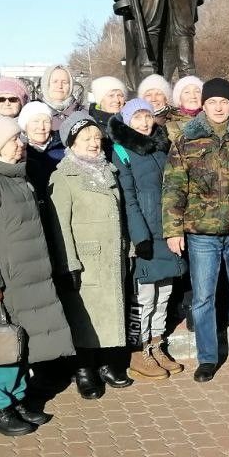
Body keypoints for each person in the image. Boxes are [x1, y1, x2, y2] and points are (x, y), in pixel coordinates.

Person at [0, 114, 75, 435]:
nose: (20, 145)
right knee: (2, 346)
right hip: (5, 282)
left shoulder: (12, 174)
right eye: (14, 140)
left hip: (26, 278)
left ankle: (18, 398)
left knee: (21, 342)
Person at [163, 79, 229, 383]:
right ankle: (207, 357)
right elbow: (173, 185)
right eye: (212, 102)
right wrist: (173, 230)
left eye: (223, 102)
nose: (218, 107)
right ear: (203, 106)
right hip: (202, 232)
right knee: (203, 297)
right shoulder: (187, 138)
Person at [46, 112, 132, 398]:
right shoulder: (63, 176)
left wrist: (127, 246)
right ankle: (84, 369)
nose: (94, 143)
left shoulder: (108, 169)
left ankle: (106, 364)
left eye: (97, 137)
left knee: (109, 312)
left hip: (111, 255)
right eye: (86, 138)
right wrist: (68, 262)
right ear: (72, 142)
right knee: (86, 317)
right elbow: (60, 224)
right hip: (85, 260)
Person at [110, 98, 187, 381]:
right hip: (145, 234)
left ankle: (157, 344)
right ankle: (139, 351)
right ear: (127, 120)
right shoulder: (122, 150)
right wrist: (140, 236)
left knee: (164, 293)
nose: (144, 122)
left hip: (166, 229)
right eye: (138, 117)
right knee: (144, 296)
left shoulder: (161, 145)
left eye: (147, 116)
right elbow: (128, 197)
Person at [18, 101, 63, 208]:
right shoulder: (20, 151)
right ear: (25, 125)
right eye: (35, 121)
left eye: (46, 122)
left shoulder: (63, 149)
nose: (41, 127)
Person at [39, 64, 83, 133]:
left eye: (64, 82)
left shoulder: (83, 114)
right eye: (55, 81)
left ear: (70, 86)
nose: (60, 86)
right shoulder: (32, 113)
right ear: (46, 84)